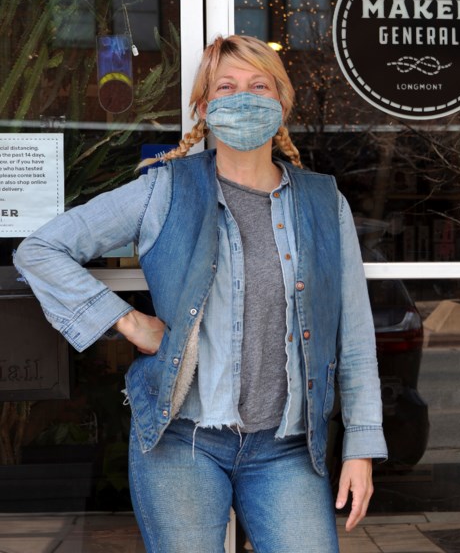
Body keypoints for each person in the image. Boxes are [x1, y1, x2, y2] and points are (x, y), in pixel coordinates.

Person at [14, 35, 386, 552]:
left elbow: (355, 336)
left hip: (287, 449)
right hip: (180, 442)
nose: (244, 97)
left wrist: (361, 448)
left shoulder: (324, 203)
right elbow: (40, 249)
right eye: (226, 87)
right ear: (204, 106)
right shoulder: (164, 188)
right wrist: (128, 322)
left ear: (282, 100)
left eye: (259, 85)